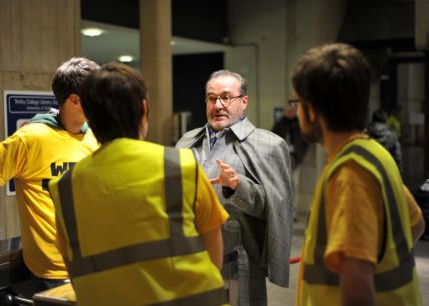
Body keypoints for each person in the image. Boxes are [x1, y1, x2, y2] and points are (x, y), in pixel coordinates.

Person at [48, 62, 229, 306]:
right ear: (143, 110)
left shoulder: (64, 188)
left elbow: (73, 265)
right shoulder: (181, 165)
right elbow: (213, 255)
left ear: (89, 117)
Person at [291, 43, 424, 306]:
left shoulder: (349, 173)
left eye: (297, 103)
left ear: (313, 111)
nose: (295, 112)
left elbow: (358, 292)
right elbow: (416, 223)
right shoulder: (374, 153)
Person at [0, 57, 100, 292]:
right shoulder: (30, 139)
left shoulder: (97, 136)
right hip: (53, 275)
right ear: (75, 100)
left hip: (96, 267)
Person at [176, 70, 293, 305]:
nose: (218, 105)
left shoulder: (269, 145)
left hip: (240, 261)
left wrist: (238, 186)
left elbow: (276, 209)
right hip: (190, 256)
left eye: (226, 97)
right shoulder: (187, 141)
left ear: (244, 101)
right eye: (211, 98)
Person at [272, 104, 309, 220]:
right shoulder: (279, 124)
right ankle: (283, 212)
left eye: (292, 111)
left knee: (294, 186)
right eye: (288, 110)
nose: (290, 112)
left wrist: (299, 152)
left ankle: (293, 213)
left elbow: (305, 141)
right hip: (282, 160)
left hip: (296, 159)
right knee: (282, 186)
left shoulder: (299, 124)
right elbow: (272, 138)